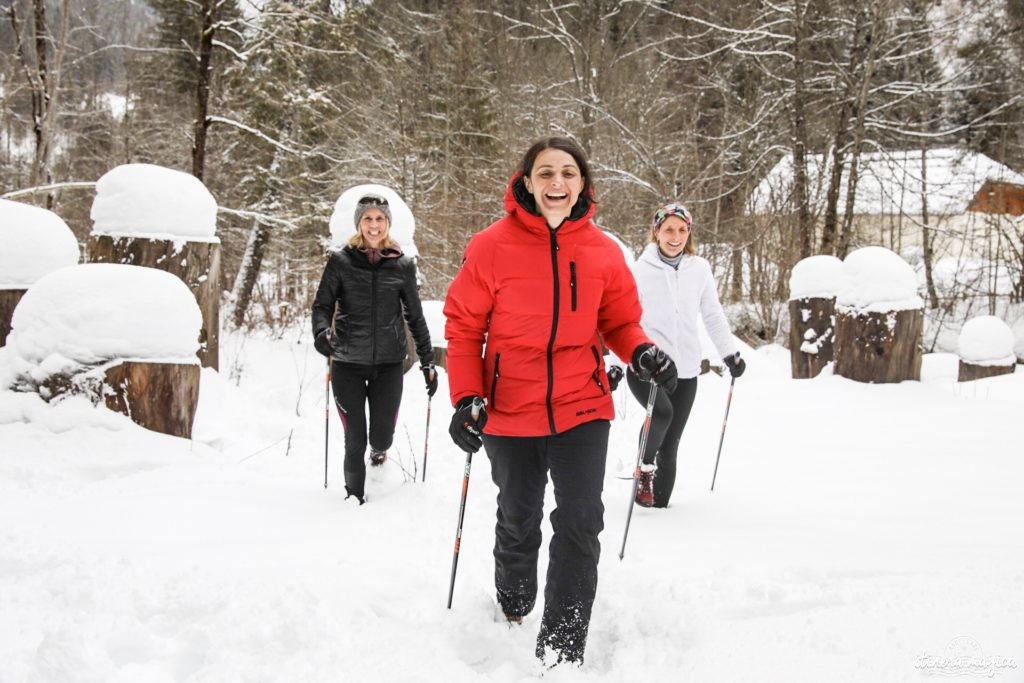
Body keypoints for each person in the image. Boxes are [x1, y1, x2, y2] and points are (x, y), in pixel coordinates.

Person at [443, 137, 677, 667]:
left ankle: (562, 649)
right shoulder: (489, 246)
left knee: (579, 520)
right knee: (519, 516)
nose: (556, 183)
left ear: (583, 185)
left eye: (567, 173)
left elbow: (619, 321)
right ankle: (515, 596)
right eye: (545, 173)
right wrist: (466, 398)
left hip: (582, 405)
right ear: (526, 181)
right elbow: (463, 329)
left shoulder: (602, 251)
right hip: (510, 407)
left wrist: (639, 352)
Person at [311, 193, 437, 504]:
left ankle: (378, 453)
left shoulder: (402, 266)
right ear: (359, 223)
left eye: (380, 218)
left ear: (388, 223)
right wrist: (321, 332)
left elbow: (415, 317)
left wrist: (427, 363)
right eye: (368, 218)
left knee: (381, 436)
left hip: (388, 364)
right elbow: (322, 305)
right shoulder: (340, 262)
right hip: (346, 362)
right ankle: (354, 499)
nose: (374, 224)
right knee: (355, 438)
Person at [627, 202, 745, 509]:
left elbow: (712, 314)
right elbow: (624, 321)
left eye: (681, 229)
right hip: (647, 366)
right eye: (668, 229)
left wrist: (729, 353)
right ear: (657, 232)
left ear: (689, 232)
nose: (675, 236)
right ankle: (644, 471)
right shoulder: (640, 271)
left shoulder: (700, 270)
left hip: (686, 369)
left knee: (672, 442)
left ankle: (661, 506)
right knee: (661, 414)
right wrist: (615, 365)